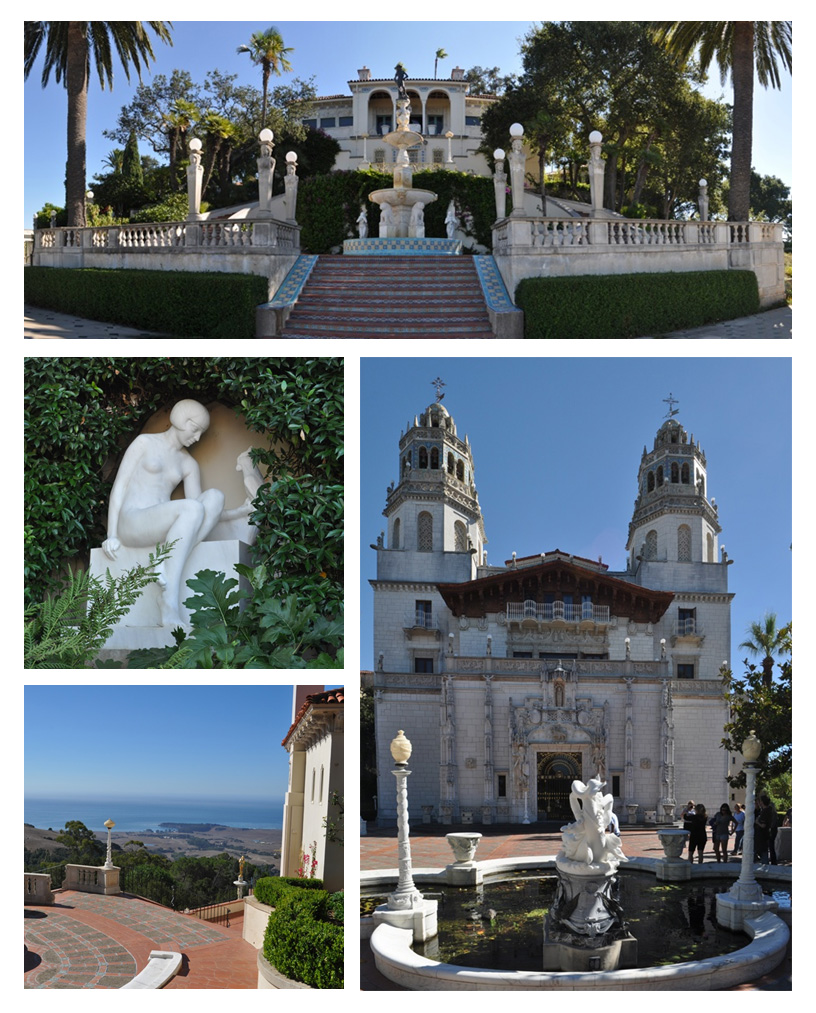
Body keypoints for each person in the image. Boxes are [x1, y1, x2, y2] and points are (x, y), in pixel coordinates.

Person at [102, 399, 253, 627]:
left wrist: (239, 512)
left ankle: (165, 558)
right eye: (195, 430)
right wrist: (111, 534)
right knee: (192, 508)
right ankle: (168, 601)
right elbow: (120, 486)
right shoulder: (144, 443)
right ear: (182, 421)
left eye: (201, 433)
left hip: (162, 526)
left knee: (215, 497)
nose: (197, 438)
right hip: (132, 521)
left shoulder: (188, 464)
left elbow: (201, 512)